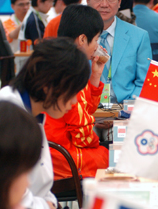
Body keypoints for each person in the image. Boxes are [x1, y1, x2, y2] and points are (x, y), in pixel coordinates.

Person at [0, 38, 90, 209]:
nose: (75, 101)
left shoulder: (33, 112)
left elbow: (39, 185)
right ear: (48, 86)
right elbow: (7, 196)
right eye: (72, 92)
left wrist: (49, 206)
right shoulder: (9, 116)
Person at [44, 4, 109, 180]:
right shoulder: (70, 70)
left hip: (46, 150)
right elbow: (82, 136)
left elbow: (84, 110)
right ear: (82, 39)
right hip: (59, 155)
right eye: (96, 40)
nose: (97, 46)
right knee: (111, 157)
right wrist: (100, 143)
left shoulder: (58, 59)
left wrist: (95, 77)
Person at [87, 0, 151, 104]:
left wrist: (128, 108)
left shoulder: (139, 36)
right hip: (83, 109)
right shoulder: (75, 35)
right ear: (88, 1)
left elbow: (144, 82)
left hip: (124, 110)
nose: (104, 4)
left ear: (119, 2)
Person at [3, 0, 31, 72]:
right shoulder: (7, 23)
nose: (25, 7)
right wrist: (27, 19)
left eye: (28, 4)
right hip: (17, 66)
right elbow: (13, 35)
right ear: (12, 6)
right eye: (21, 5)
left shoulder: (34, 21)